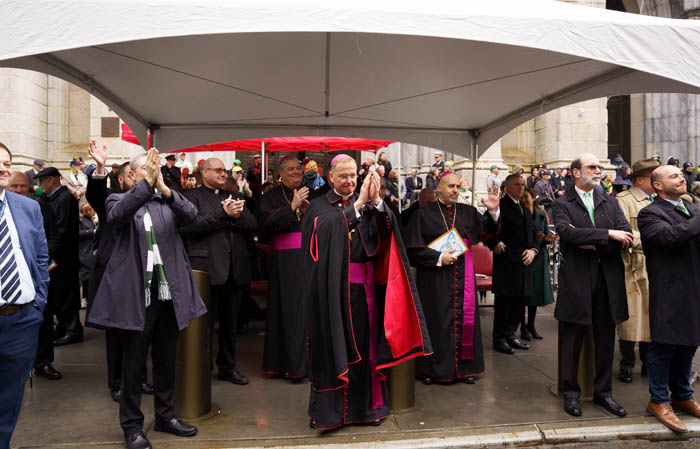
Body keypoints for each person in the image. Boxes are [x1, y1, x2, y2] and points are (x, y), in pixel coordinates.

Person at [88, 148, 207, 449]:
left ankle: (166, 417)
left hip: (168, 293)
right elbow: (116, 215)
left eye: (156, 168)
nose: (154, 172)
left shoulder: (165, 202)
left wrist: (165, 189)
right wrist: (145, 185)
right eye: (147, 168)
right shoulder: (119, 200)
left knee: (166, 360)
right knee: (134, 364)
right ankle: (132, 426)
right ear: (131, 175)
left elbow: (192, 217)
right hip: (137, 296)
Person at [302, 155, 432, 430]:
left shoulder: (368, 203)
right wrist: (358, 205)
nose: (349, 181)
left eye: (353, 176)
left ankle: (367, 410)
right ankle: (331, 414)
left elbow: (387, 232)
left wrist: (377, 203)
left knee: (366, 349)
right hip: (333, 291)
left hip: (366, 290)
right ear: (330, 177)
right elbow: (323, 235)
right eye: (343, 176)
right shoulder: (318, 206)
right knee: (333, 348)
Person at [552, 153, 633, 418]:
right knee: (572, 338)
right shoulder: (562, 203)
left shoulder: (610, 202)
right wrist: (607, 234)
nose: (598, 171)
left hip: (608, 279)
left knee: (605, 338)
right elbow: (568, 234)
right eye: (592, 167)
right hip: (577, 279)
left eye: (599, 167)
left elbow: (626, 235)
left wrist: (591, 240)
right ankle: (571, 393)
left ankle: (603, 393)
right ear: (575, 172)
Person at [406, 172, 500, 384]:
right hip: (434, 277)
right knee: (436, 320)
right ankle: (432, 370)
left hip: (464, 273)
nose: (455, 190)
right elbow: (413, 249)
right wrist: (439, 257)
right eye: (451, 186)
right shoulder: (422, 215)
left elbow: (487, 234)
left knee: (465, 318)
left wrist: (493, 212)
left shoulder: (468, 211)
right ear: (439, 187)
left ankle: (465, 369)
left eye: (458, 186)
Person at [84, 145, 154, 403]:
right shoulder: (113, 200)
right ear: (128, 178)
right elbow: (96, 194)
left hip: (145, 274)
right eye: (143, 169)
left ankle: (139, 378)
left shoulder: (155, 200)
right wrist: (100, 167)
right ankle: (116, 382)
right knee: (116, 331)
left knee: (141, 330)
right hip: (116, 275)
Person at [182, 157, 257, 387]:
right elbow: (192, 227)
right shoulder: (191, 197)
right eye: (218, 170)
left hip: (234, 270)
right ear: (204, 173)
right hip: (207, 269)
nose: (224, 174)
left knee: (230, 325)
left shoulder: (234, 196)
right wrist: (224, 216)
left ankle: (228, 366)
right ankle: (201, 368)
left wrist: (236, 216)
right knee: (203, 325)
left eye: (224, 170)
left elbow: (252, 224)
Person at [638, 164, 700, 433]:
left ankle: (682, 395)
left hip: (695, 285)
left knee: (689, 343)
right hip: (670, 288)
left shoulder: (692, 209)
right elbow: (670, 237)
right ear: (658, 185)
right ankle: (659, 400)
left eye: (681, 175)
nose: (682, 178)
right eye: (674, 176)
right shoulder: (650, 213)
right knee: (664, 345)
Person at [0, 143, 50, 449]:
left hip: (22, 320)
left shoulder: (28, 208)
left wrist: (38, 303)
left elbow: (41, 257)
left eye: (6, 163)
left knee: (9, 400)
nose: (3, 168)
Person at [256, 156, 311, 381]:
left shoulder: (313, 193)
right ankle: (290, 365)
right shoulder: (269, 198)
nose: (296, 172)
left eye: (298, 169)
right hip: (285, 263)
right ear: (280, 173)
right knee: (288, 311)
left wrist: (308, 211)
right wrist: (292, 207)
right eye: (290, 169)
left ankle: (310, 365)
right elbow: (264, 227)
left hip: (311, 258)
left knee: (310, 310)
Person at [614, 158, 659, 384]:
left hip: (656, 265)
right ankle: (627, 363)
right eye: (653, 177)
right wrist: (657, 237)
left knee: (652, 317)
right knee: (631, 318)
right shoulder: (624, 200)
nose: (658, 181)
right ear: (640, 179)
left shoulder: (659, 200)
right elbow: (623, 233)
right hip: (632, 265)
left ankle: (649, 363)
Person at [486, 175, 537, 355]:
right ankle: (499, 337)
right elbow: (486, 226)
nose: (521, 187)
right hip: (507, 263)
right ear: (507, 187)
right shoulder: (499, 205)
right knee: (505, 303)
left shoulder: (524, 208)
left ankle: (510, 334)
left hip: (524, 262)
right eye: (517, 184)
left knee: (519, 303)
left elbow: (533, 234)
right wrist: (494, 242)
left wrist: (533, 250)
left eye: (522, 184)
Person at [36, 167, 82, 353]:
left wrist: (50, 252)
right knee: (60, 294)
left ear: (52, 180)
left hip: (64, 257)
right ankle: (63, 328)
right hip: (58, 257)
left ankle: (73, 329)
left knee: (67, 293)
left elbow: (61, 229)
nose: (40, 185)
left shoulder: (64, 198)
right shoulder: (53, 198)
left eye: (42, 181)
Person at [519, 187, 556, 341]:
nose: (524, 199)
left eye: (526, 197)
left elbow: (546, 233)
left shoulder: (541, 214)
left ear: (533, 198)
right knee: (523, 294)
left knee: (535, 293)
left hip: (539, 257)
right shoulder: (519, 213)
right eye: (522, 197)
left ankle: (531, 325)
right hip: (524, 256)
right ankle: (522, 326)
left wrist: (546, 239)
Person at [78, 202, 96, 309]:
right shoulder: (81, 221)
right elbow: (78, 233)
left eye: (90, 209)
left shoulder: (93, 220)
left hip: (91, 251)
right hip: (85, 252)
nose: (88, 212)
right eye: (86, 210)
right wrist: (92, 232)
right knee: (86, 277)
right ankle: (84, 298)